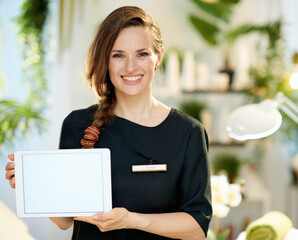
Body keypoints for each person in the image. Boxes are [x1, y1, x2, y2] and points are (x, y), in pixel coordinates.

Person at [5, 5, 212, 240]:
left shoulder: (188, 132)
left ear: (158, 56)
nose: (131, 67)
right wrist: (32, 184)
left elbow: (197, 227)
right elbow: (64, 221)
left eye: (142, 54)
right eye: (118, 55)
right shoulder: (77, 123)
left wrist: (133, 220)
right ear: (106, 60)